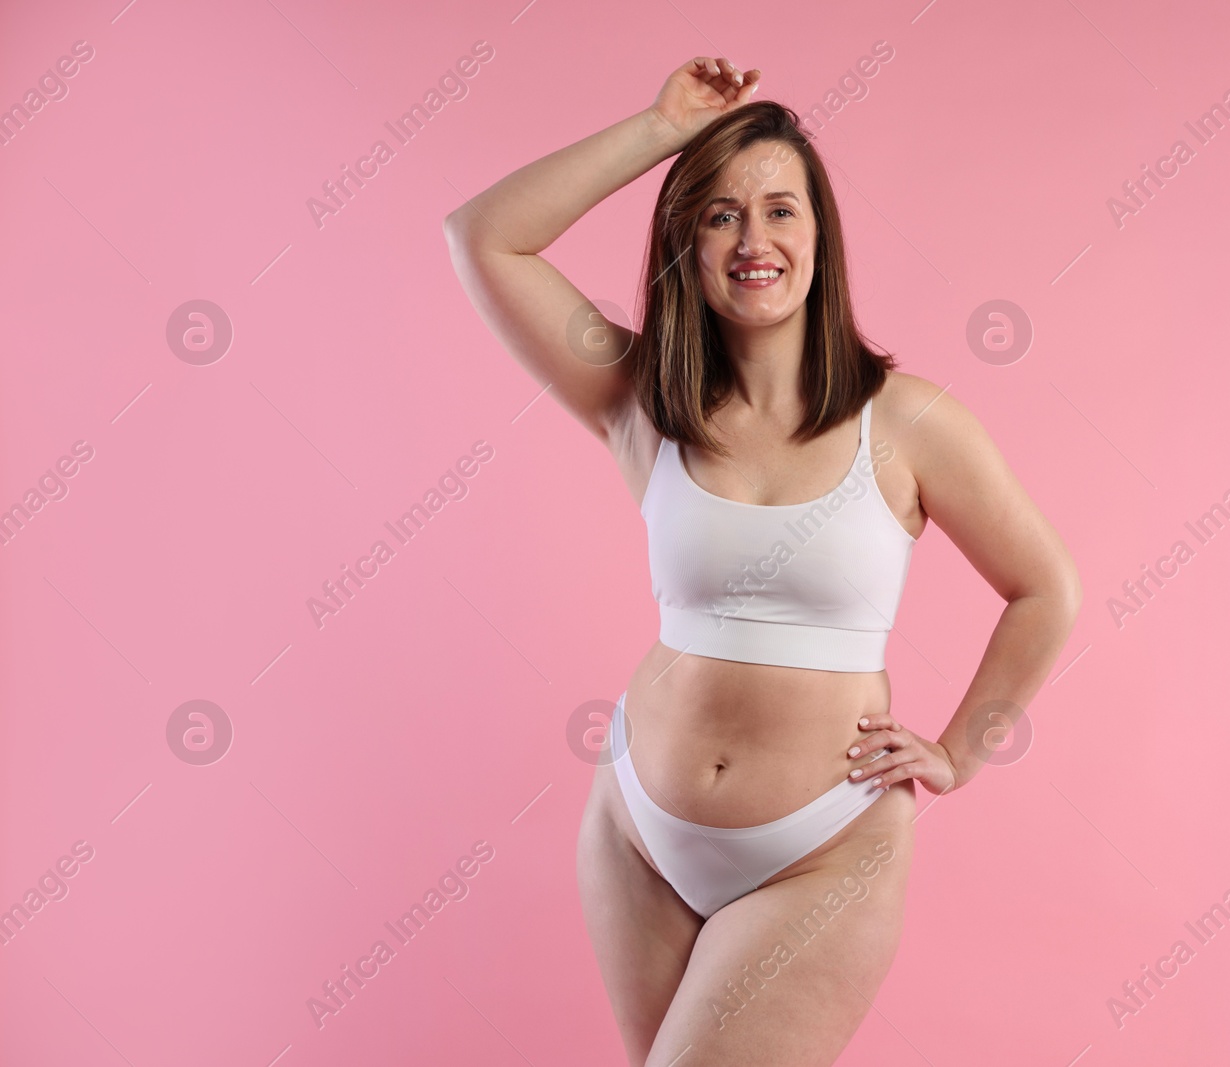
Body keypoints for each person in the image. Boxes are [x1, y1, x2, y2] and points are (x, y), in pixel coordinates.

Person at [444, 55, 1081, 1067]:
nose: (754, 240)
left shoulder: (908, 423)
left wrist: (959, 749)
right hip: (637, 832)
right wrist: (661, 129)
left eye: (782, 210)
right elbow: (483, 237)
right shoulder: (638, 402)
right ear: (684, 244)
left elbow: (1046, 588)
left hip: (820, 849)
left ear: (821, 237)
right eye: (719, 216)